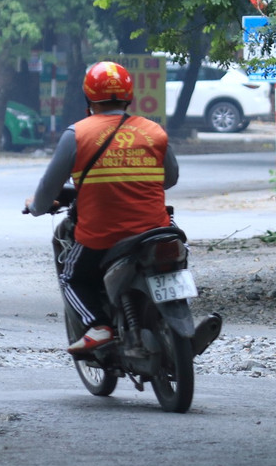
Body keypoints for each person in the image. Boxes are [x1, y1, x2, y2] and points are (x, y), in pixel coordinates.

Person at [26, 61, 179, 353]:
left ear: (88, 98)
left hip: (102, 235)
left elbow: (48, 189)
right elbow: (169, 179)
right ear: (129, 96)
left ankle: (98, 325)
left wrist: (36, 207)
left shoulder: (76, 134)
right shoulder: (154, 131)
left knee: (71, 276)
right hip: (157, 231)